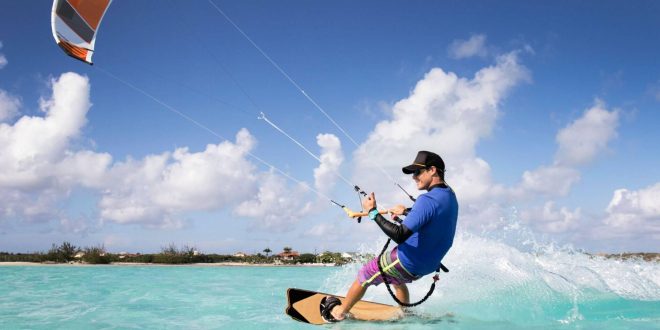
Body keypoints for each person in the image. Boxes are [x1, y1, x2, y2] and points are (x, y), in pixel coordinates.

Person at [322, 150, 459, 322]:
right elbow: (434, 216)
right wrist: (407, 212)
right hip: (428, 265)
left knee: (365, 274)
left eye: (418, 172)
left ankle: (339, 312)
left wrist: (373, 213)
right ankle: (405, 314)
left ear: (432, 170)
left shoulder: (426, 200)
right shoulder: (449, 195)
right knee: (396, 279)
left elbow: (399, 235)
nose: (414, 177)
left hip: (408, 260)